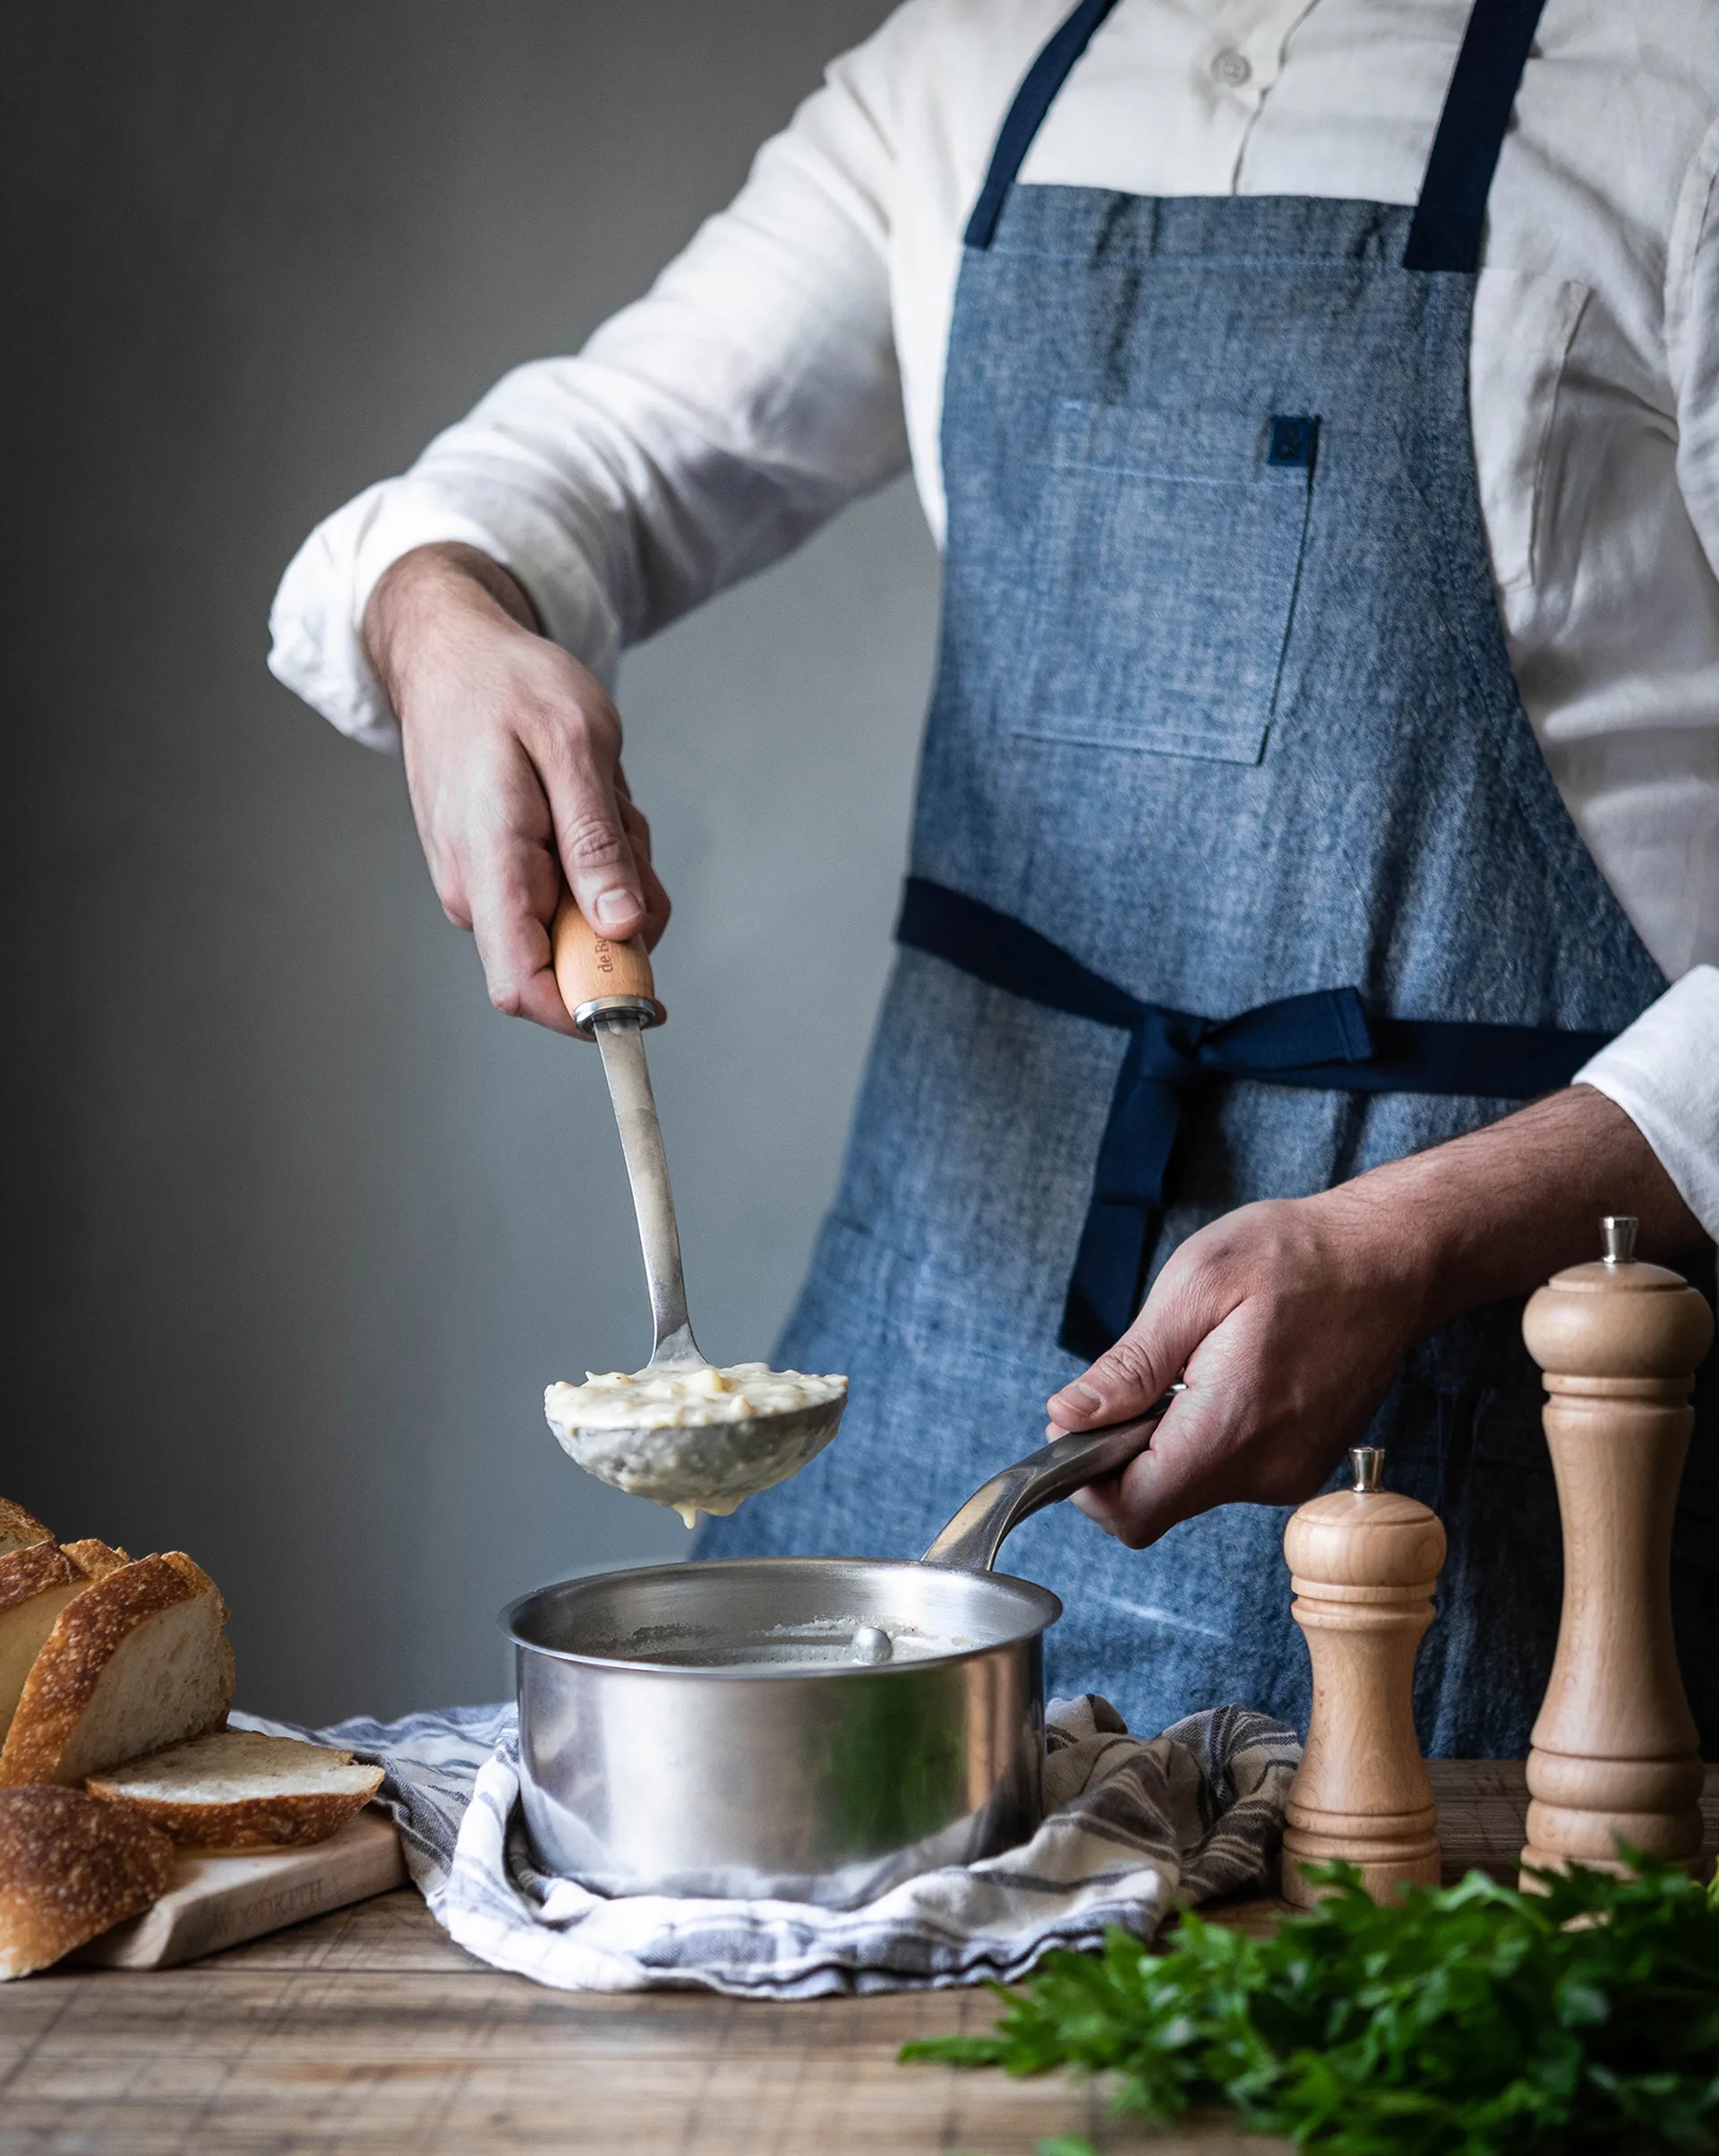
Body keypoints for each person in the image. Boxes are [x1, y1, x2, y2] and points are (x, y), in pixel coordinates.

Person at [272, 0, 1719, 1753]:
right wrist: (439, 615)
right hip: (938, 1398)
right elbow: (597, 461)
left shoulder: (1672, 88)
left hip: (1473, 1444)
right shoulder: (973, 67)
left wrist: (1405, 1242)